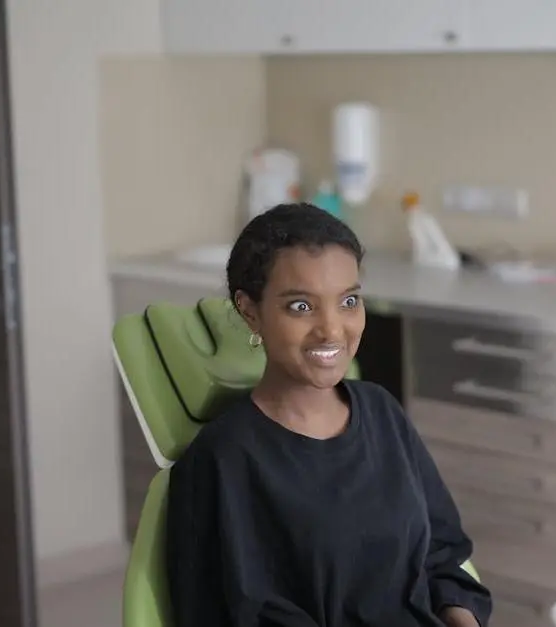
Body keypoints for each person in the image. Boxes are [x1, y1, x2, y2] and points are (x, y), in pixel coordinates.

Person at [166, 203, 492, 627]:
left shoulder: (381, 412)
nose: (333, 329)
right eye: (301, 307)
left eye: (348, 301)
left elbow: (443, 554)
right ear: (250, 311)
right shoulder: (223, 460)